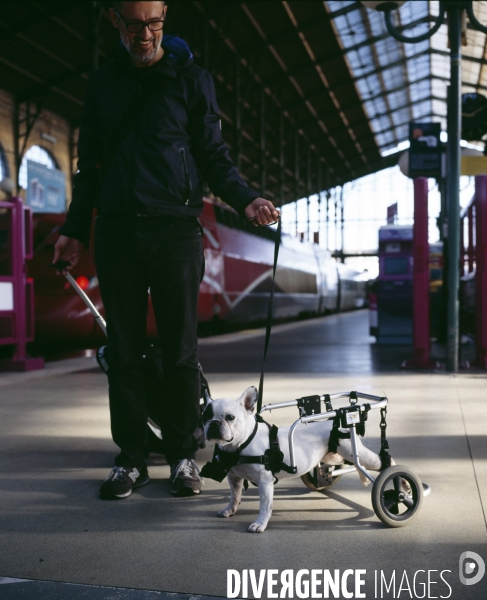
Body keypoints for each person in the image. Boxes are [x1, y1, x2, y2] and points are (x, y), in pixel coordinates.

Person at [53, 0, 279, 500]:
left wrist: (247, 199)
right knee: (125, 352)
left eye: (154, 24)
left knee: (180, 352)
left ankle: (182, 457)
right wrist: (73, 229)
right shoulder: (102, 85)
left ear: (165, 18)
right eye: (135, 25)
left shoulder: (191, 80)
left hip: (176, 231)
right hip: (116, 232)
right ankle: (130, 460)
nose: (145, 35)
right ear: (115, 20)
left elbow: (212, 155)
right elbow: (88, 167)